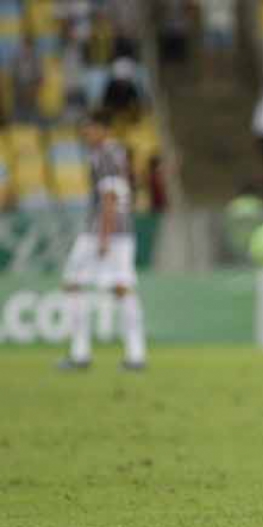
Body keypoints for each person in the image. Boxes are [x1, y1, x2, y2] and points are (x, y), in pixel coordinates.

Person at [59, 110, 147, 371]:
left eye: (90, 128)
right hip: (122, 230)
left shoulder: (103, 156)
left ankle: (81, 353)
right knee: (122, 287)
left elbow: (109, 196)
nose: (86, 134)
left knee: (74, 283)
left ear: (103, 129)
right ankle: (136, 354)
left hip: (102, 230)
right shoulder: (118, 152)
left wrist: (104, 236)